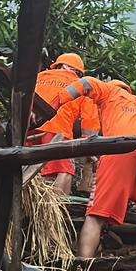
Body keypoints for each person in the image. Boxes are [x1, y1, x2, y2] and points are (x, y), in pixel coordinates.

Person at [53, 79, 136, 271]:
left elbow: (86, 82)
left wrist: (54, 103)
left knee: (97, 213)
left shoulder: (110, 92)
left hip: (123, 146)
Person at [30, 52, 90, 195]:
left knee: (31, 169)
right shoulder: (82, 85)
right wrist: (90, 147)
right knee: (64, 170)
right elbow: (90, 121)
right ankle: (56, 210)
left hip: (29, 128)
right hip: (57, 129)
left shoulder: (40, 76)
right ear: (78, 72)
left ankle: (30, 205)